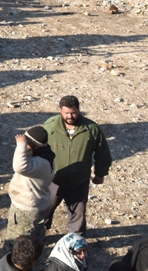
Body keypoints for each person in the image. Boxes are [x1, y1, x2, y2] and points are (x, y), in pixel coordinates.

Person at [43, 95, 112, 235]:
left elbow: (103, 153)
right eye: (66, 113)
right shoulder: (50, 127)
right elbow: (39, 149)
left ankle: (76, 243)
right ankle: (40, 234)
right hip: (54, 179)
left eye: (73, 112)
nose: (70, 116)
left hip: (79, 181)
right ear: (60, 111)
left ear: (78, 110)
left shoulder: (91, 129)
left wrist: (100, 174)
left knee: (78, 214)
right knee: (45, 208)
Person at [5, 126, 54, 250]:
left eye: (27, 141)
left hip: (26, 211)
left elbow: (19, 166)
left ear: (35, 145)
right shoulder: (46, 156)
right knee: (35, 236)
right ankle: (34, 256)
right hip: (38, 205)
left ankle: (16, 263)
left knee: (19, 243)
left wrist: (21, 146)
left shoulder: (39, 163)